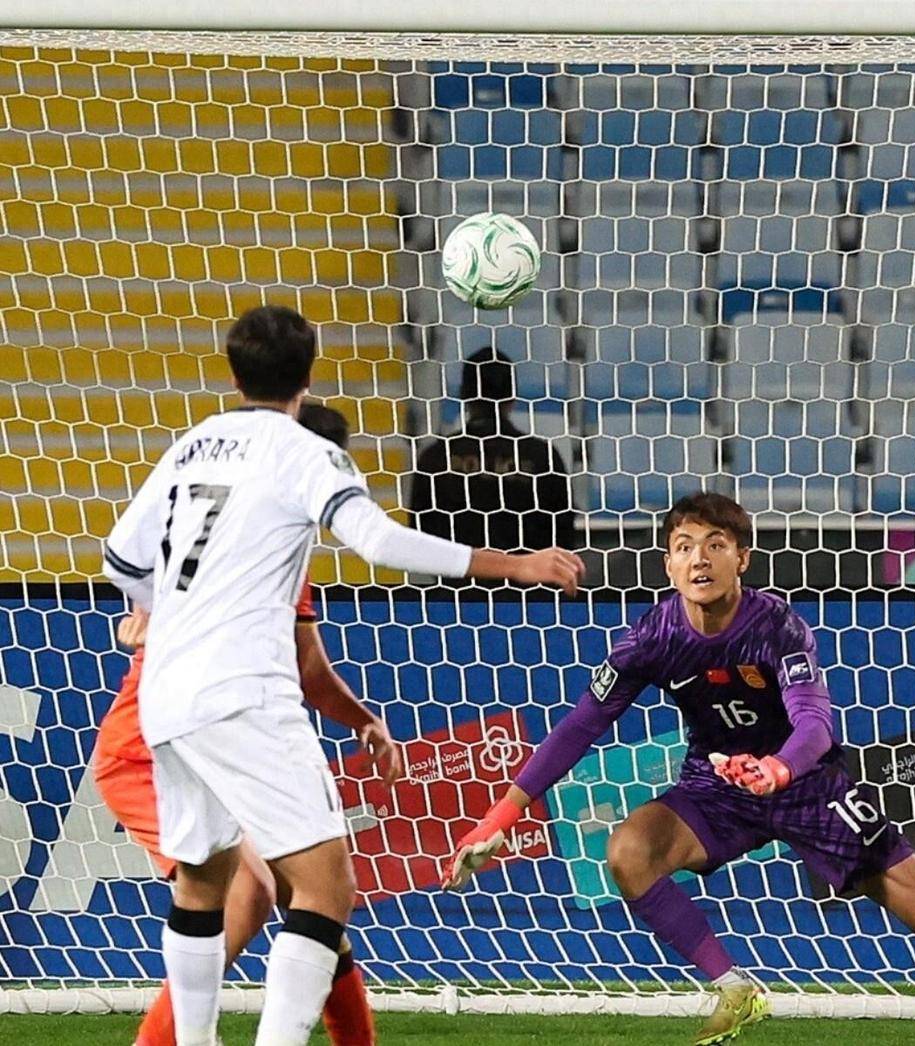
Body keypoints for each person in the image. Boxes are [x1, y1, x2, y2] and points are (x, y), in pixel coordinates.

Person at [102, 305, 584, 1046]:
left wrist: (153, 610)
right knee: (326, 886)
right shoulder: (304, 453)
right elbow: (379, 542)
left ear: (233, 374)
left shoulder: (191, 446)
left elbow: (120, 556)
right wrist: (514, 563)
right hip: (242, 689)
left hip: (166, 691)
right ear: (308, 373)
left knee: (202, 880)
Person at [441, 492, 915, 1046]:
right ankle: (735, 988)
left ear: (742, 558)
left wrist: (779, 769)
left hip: (808, 788)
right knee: (630, 852)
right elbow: (580, 726)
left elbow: (814, 723)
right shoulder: (654, 636)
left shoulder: (776, 626)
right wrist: (499, 818)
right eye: (684, 547)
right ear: (668, 565)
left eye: (715, 544)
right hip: (718, 787)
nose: (699, 559)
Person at [95, 403, 395, 1046]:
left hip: (215, 741)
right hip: (151, 749)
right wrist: (365, 721)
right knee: (252, 893)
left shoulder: (242, 533)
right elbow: (309, 671)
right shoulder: (267, 543)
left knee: (311, 901)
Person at [408, 346, 575, 552]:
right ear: (512, 397)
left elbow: (419, 538)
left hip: (455, 572)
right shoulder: (543, 458)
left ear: (464, 395)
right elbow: (563, 540)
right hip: (525, 572)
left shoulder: (435, 459)